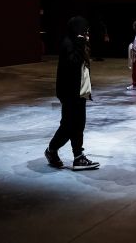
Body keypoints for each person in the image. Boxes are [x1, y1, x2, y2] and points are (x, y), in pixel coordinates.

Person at [44, 16, 100, 171]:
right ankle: (51, 150)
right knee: (68, 126)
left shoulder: (78, 43)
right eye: (85, 29)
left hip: (80, 92)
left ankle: (78, 157)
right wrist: (80, 44)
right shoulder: (69, 43)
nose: (87, 32)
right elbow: (72, 64)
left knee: (79, 124)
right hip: (69, 92)